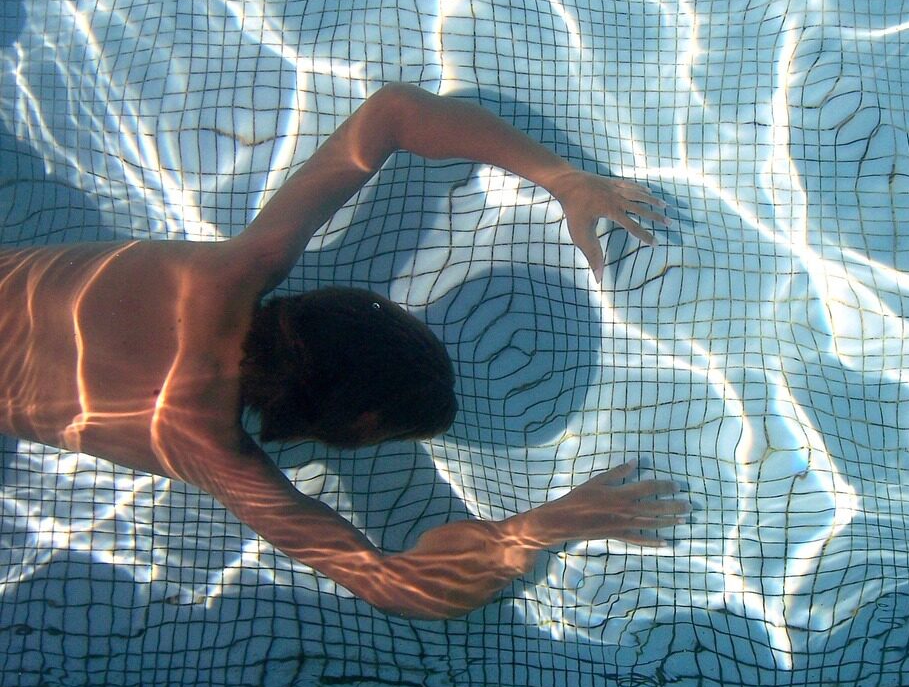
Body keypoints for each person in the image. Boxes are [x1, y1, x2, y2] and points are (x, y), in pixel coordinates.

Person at [0, 82, 687, 619]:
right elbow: (402, 588)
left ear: (329, 305)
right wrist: (540, 527)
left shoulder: (240, 268)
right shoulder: (207, 447)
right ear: (355, 431)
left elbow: (392, 113)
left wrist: (561, 177)